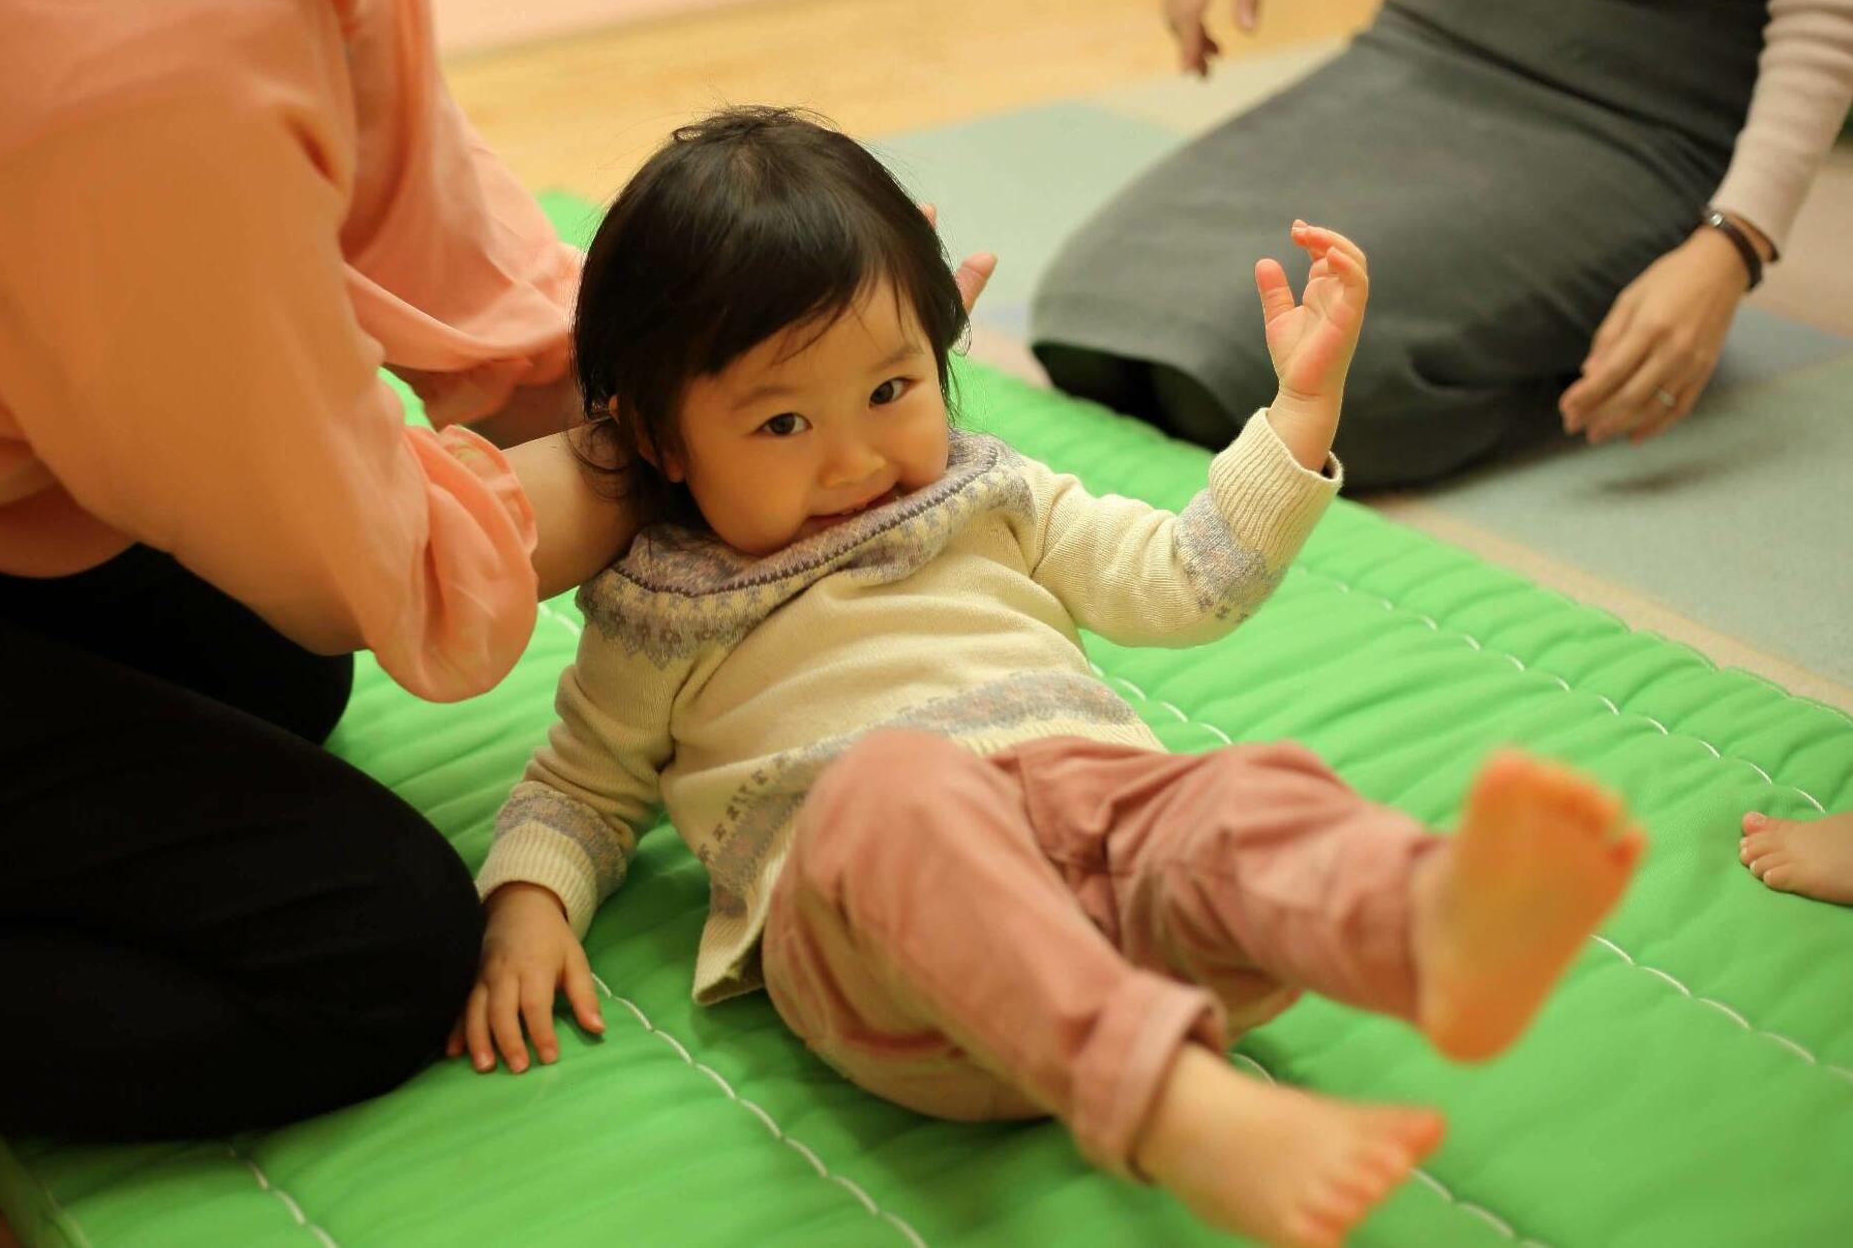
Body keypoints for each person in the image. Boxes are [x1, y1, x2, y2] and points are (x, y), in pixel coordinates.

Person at [450, 109, 1645, 1248]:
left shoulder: (991, 492)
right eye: (780, 427)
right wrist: (527, 906)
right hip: (899, 968)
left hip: (1114, 883)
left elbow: (1185, 576)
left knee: (1236, 791)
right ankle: (1167, 1105)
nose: (858, 456)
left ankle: (1417, 926)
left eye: (889, 390)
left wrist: (1296, 413)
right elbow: (582, 789)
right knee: (893, 792)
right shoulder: (657, 604)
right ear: (660, 439)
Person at [0, 0, 661, 1157]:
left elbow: (462, 278)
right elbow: (368, 564)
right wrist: (682, 448)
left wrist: (732, 341)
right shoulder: (121, 49)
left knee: (265, 664)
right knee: (373, 952)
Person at [1032, 0, 1853, 488]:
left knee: (1262, 377)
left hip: (1642, 114)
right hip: (1432, 42)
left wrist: (1732, 241)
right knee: (1093, 316)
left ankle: (1591, 359)